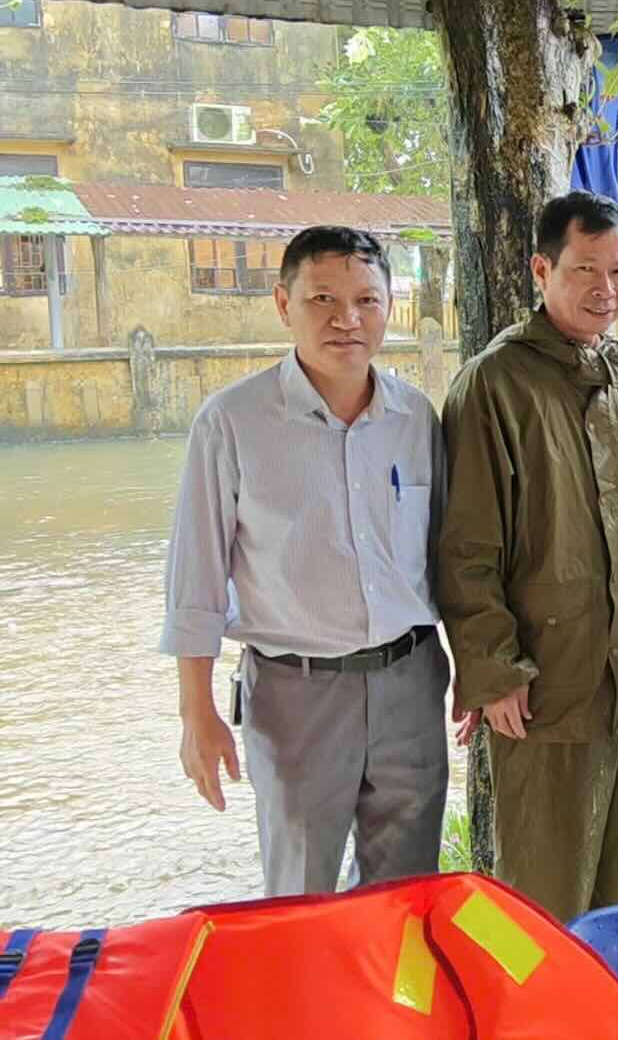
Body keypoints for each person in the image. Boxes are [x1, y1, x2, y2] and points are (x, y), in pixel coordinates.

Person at [162, 225, 449, 896]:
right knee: (300, 894)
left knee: (407, 894)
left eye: (366, 300)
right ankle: (303, 1005)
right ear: (283, 303)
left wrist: (477, 667)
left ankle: (389, 1006)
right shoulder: (231, 422)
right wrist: (195, 712)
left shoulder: (416, 416)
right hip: (295, 692)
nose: (347, 319)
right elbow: (196, 577)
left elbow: (445, 557)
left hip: (409, 682)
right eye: (323, 298)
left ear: (389, 307)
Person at [438, 191, 618, 924]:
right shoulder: (495, 382)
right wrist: (495, 668)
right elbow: (466, 545)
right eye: (584, 269)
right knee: (541, 895)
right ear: (542, 269)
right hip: (542, 684)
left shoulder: (617, 378)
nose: (605, 288)